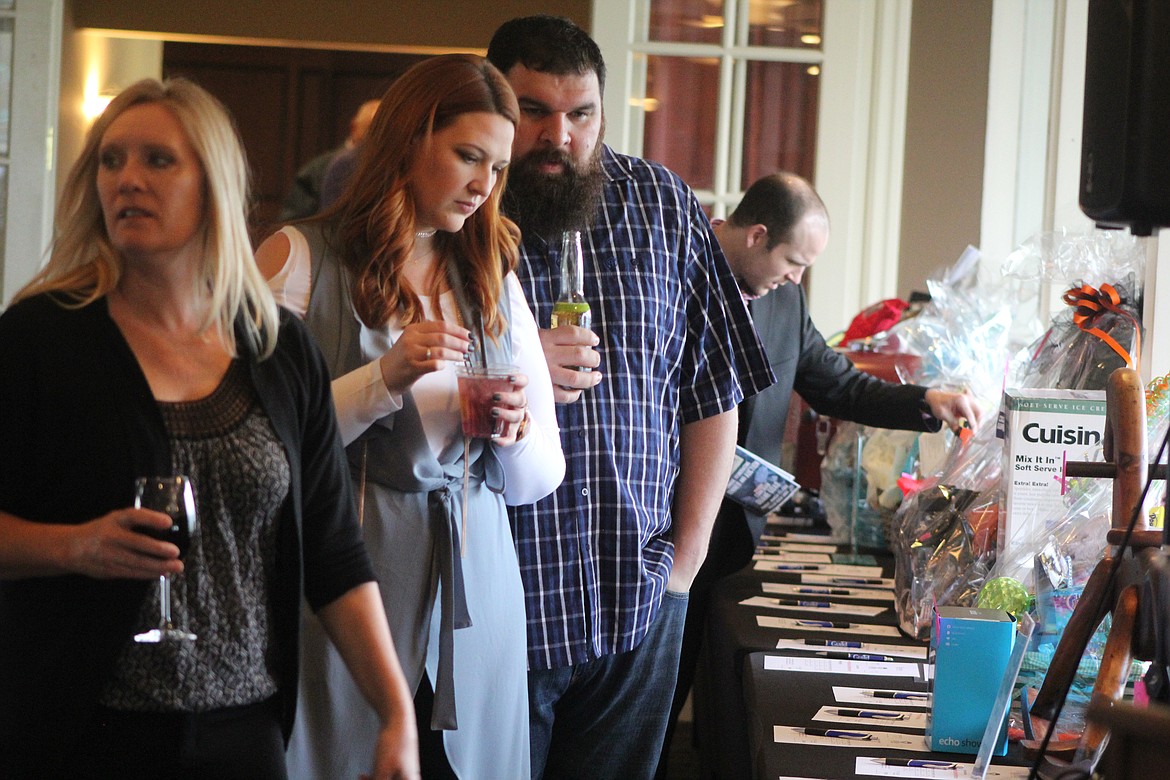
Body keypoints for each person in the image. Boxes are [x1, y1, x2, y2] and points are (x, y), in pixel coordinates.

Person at [0, 77, 418, 779]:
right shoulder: (40, 339)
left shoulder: (276, 347)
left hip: (243, 730)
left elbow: (333, 551)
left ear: (214, 183)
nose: (127, 179)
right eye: (111, 160)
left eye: (158, 160)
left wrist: (395, 712)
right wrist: (76, 546)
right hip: (77, 728)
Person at [256, 53, 565, 779]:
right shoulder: (299, 257)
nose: (483, 185)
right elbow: (261, 447)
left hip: (478, 580)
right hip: (349, 577)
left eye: (496, 167)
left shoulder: (492, 271)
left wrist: (517, 432)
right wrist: (385, 377)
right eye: (467, 156)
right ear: (408, 139)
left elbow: (536, 479)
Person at [486, 17, 774, 780]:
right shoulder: (453, 211)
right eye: (533, 111)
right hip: (494, 602)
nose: (558, 135)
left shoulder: (663, 208)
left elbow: (715, 389)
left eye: (579, 114)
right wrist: (518, 365)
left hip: (637, 595)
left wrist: (687, 560)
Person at [657, 171, 984, 776]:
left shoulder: (783, 299)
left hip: (728, 541)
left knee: (679, 695)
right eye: (792, 261)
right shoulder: (671, 278)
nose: (798, 277)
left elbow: (834, 382)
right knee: (644, 709)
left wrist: (926, 400)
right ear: (756, 235)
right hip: (655, 529)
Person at [279, 98, 380, 221]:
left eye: (382, 130)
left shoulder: (386, 165)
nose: (378, 136)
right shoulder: (318, 168)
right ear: (354, 127)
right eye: (372, 129)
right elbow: (293, 219)